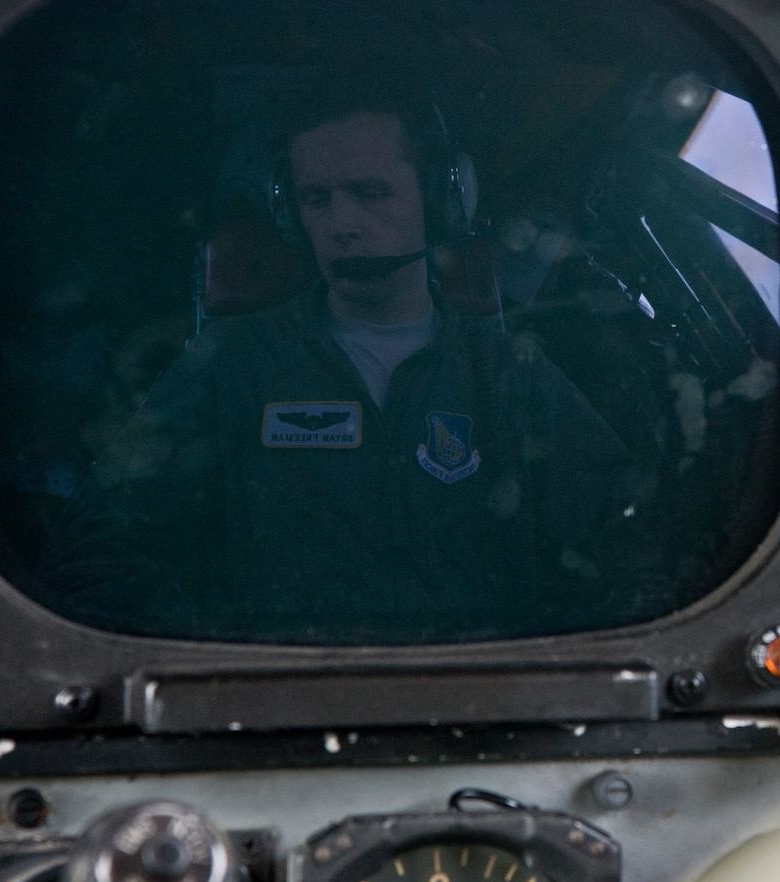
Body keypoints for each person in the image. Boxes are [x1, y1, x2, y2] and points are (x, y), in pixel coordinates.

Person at [44, 100, 660, 644]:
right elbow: (103, 546)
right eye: (317, 199)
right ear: (292, 216)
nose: (341, 224)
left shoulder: (508, 375)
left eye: (370, 193)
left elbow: (627, 543)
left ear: (443, 202)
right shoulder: (230, 365)